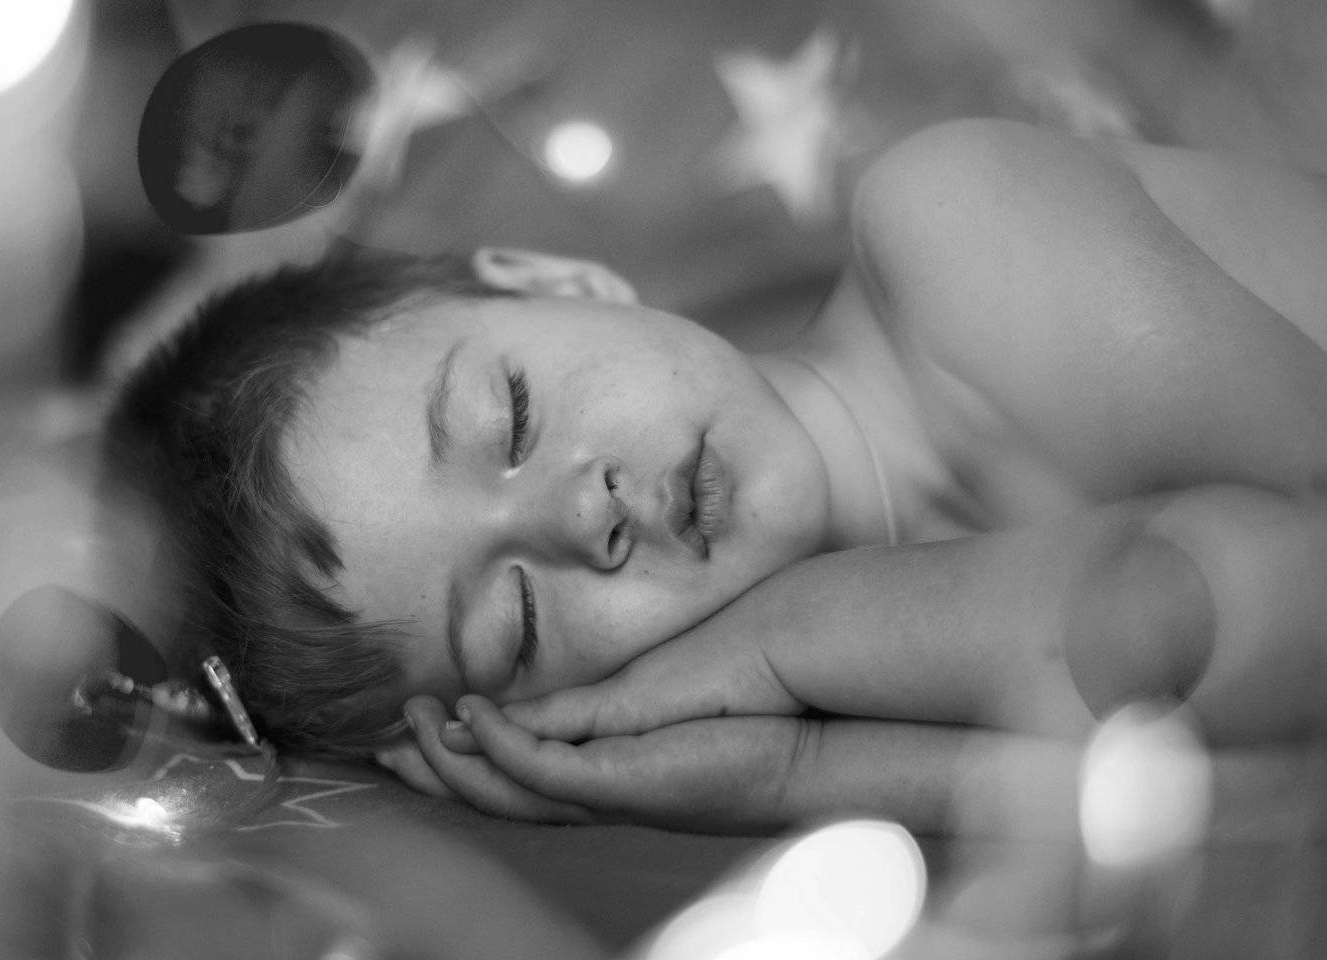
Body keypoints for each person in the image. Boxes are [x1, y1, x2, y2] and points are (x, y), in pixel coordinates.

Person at [105, 117, 1327, 835]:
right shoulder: (840, 738)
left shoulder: (960, 227)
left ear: (555, 281)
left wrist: (796, 644)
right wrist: (794, 771)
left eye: (513, 414)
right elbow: (1265, 794)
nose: (581, 509)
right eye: (517, 619)